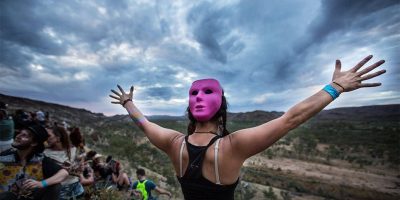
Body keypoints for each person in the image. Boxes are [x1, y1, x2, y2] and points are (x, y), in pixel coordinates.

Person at [109, 55, 386, 199]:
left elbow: (144, 124)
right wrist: (335, 88)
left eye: (204, 92)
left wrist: (128, 104)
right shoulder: (232, 146)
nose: (199, 97)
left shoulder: (173, 142)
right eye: (196, 93)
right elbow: (291, 119)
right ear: (223, 110)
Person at [0, 124, 69, 200]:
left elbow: (64, 173)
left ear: (34, 143)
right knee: (7, 195)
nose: (18, 136)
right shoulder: (3, 158)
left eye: (25, 136)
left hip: (31, 197)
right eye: (19, 133)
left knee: (55, 186)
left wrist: (41, 184)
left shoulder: (40, 159)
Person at [43, 126, 84, 200]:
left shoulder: (73, 150)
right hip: (60, 191)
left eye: (49, 136)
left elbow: (79, 171)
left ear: (58, 138)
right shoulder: (45, 154)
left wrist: (80, 168)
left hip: (77, 188)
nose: (46, 138)